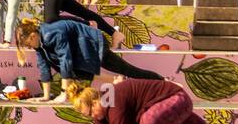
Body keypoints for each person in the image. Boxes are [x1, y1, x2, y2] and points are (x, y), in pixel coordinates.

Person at [17, 18, 161, 101]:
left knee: (128, 69)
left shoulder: (51, 34)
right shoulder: (39, 42)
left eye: (27, 44)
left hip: (94, 44)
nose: (29, 48)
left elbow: (65, 60)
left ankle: (162, 82)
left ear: (32, 36)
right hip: (82, 49)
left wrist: (63, 94)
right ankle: (117, 80)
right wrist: (46, 97)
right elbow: (43, 66)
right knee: (61, 65)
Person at [67, 79, 238, 124]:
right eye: (88, 116)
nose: (92, 117)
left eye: (90, 112)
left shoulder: (113, 98)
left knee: (148, 121)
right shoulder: (101, 113)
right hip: (165, 110)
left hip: (177, 99)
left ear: (96, 101)